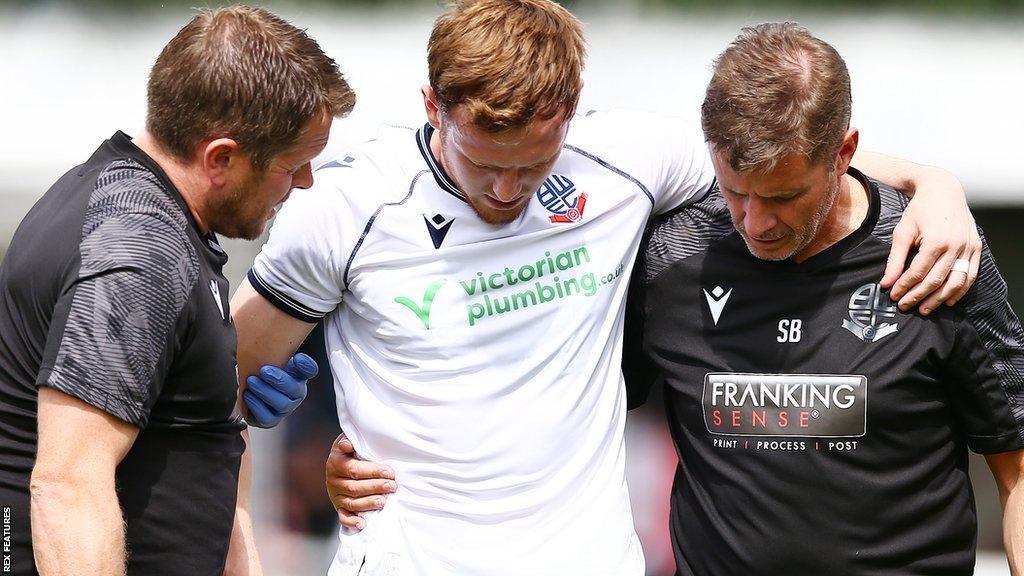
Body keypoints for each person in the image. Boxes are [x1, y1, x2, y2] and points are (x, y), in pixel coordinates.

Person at [237, 1, 981, 574]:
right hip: (409, 557)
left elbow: (783, 158)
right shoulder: (340, 210)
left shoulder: (626, 159)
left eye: (532, 164)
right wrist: (261, 418)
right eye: (481, 160)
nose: (505, 189)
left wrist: (931, 181)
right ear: (433, 106)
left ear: (570, 108)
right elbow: (210, 390)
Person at [621, 23, 1023, 575]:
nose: (756, 223)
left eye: (783, 196)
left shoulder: (934, 255)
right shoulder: (670, 257)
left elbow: (1017, 467)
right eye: (736, 192)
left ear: (845, 153)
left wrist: (936, 184)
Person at [0, 6, 355, 575]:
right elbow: (67, 485)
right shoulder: (139, 249)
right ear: (222, 158)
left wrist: (221, 398)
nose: (306, 183)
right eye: (294, 165)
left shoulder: (152, 216)